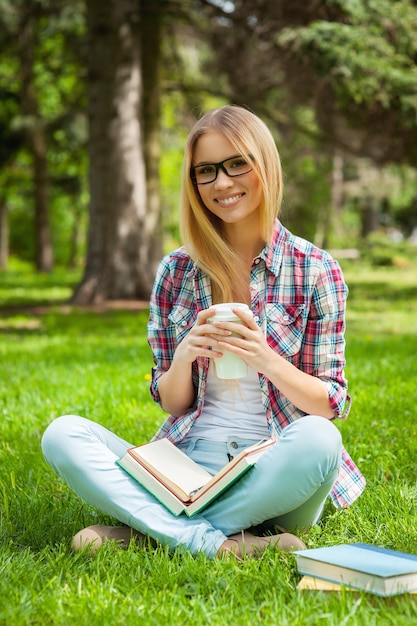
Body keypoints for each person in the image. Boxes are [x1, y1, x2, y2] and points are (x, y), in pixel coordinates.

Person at [42, 105, 366, 559]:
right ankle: (219, 543)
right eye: (206, 171)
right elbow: (174, 402)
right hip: (187, 462)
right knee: (63, 434)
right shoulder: (176, 270)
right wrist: (182, 359)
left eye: (237, 164)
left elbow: (329, 404)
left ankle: (154, 532)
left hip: (273, 467)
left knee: (321, 441)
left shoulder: (315, 269)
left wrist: (264, 358)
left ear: (264, 165)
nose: (222, 183)